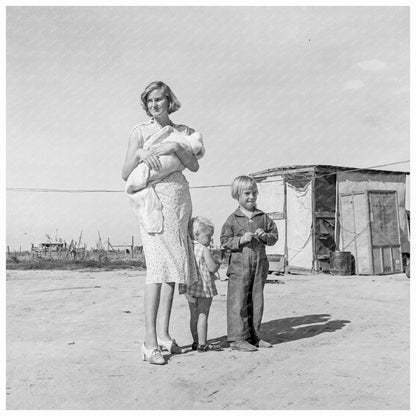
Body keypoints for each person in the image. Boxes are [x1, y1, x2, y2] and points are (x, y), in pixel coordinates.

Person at [122, 81, 201, 365]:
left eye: (159, 99)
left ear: (169, 100)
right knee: (156, 269)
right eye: (150, 101)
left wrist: (174, 146)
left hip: (179, 201)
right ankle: (149, 342)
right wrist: (141, 153)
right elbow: (124, 172)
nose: (155, 105)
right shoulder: (139, 132)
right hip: (153, 204)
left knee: (173, 269)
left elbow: (194, 166)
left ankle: (165, 335)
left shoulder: (184, 132)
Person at [220, 176, 278, 352]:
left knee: (256, 300)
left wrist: (265, 236)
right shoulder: (232, 219)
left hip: (259, 266)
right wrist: (239, 240)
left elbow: (274, 236)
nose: (251, 197)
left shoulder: (263, 217)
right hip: (239, 267)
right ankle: (237, 339)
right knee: (238, 302)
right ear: (237, 195)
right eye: (247, 193)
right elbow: (224, 240)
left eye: (254, 193)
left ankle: (254, 336)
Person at [184, 217, 223, 353]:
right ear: (196, 235)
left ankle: (195, 341)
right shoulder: (204, 249)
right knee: (203, 314)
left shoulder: (187, 249)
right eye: (208, 236)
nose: (210, 240)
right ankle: (202, 343)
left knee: (193, 315)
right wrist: (218, 262)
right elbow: (212, 268)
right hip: (204, 287)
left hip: (189, 287)